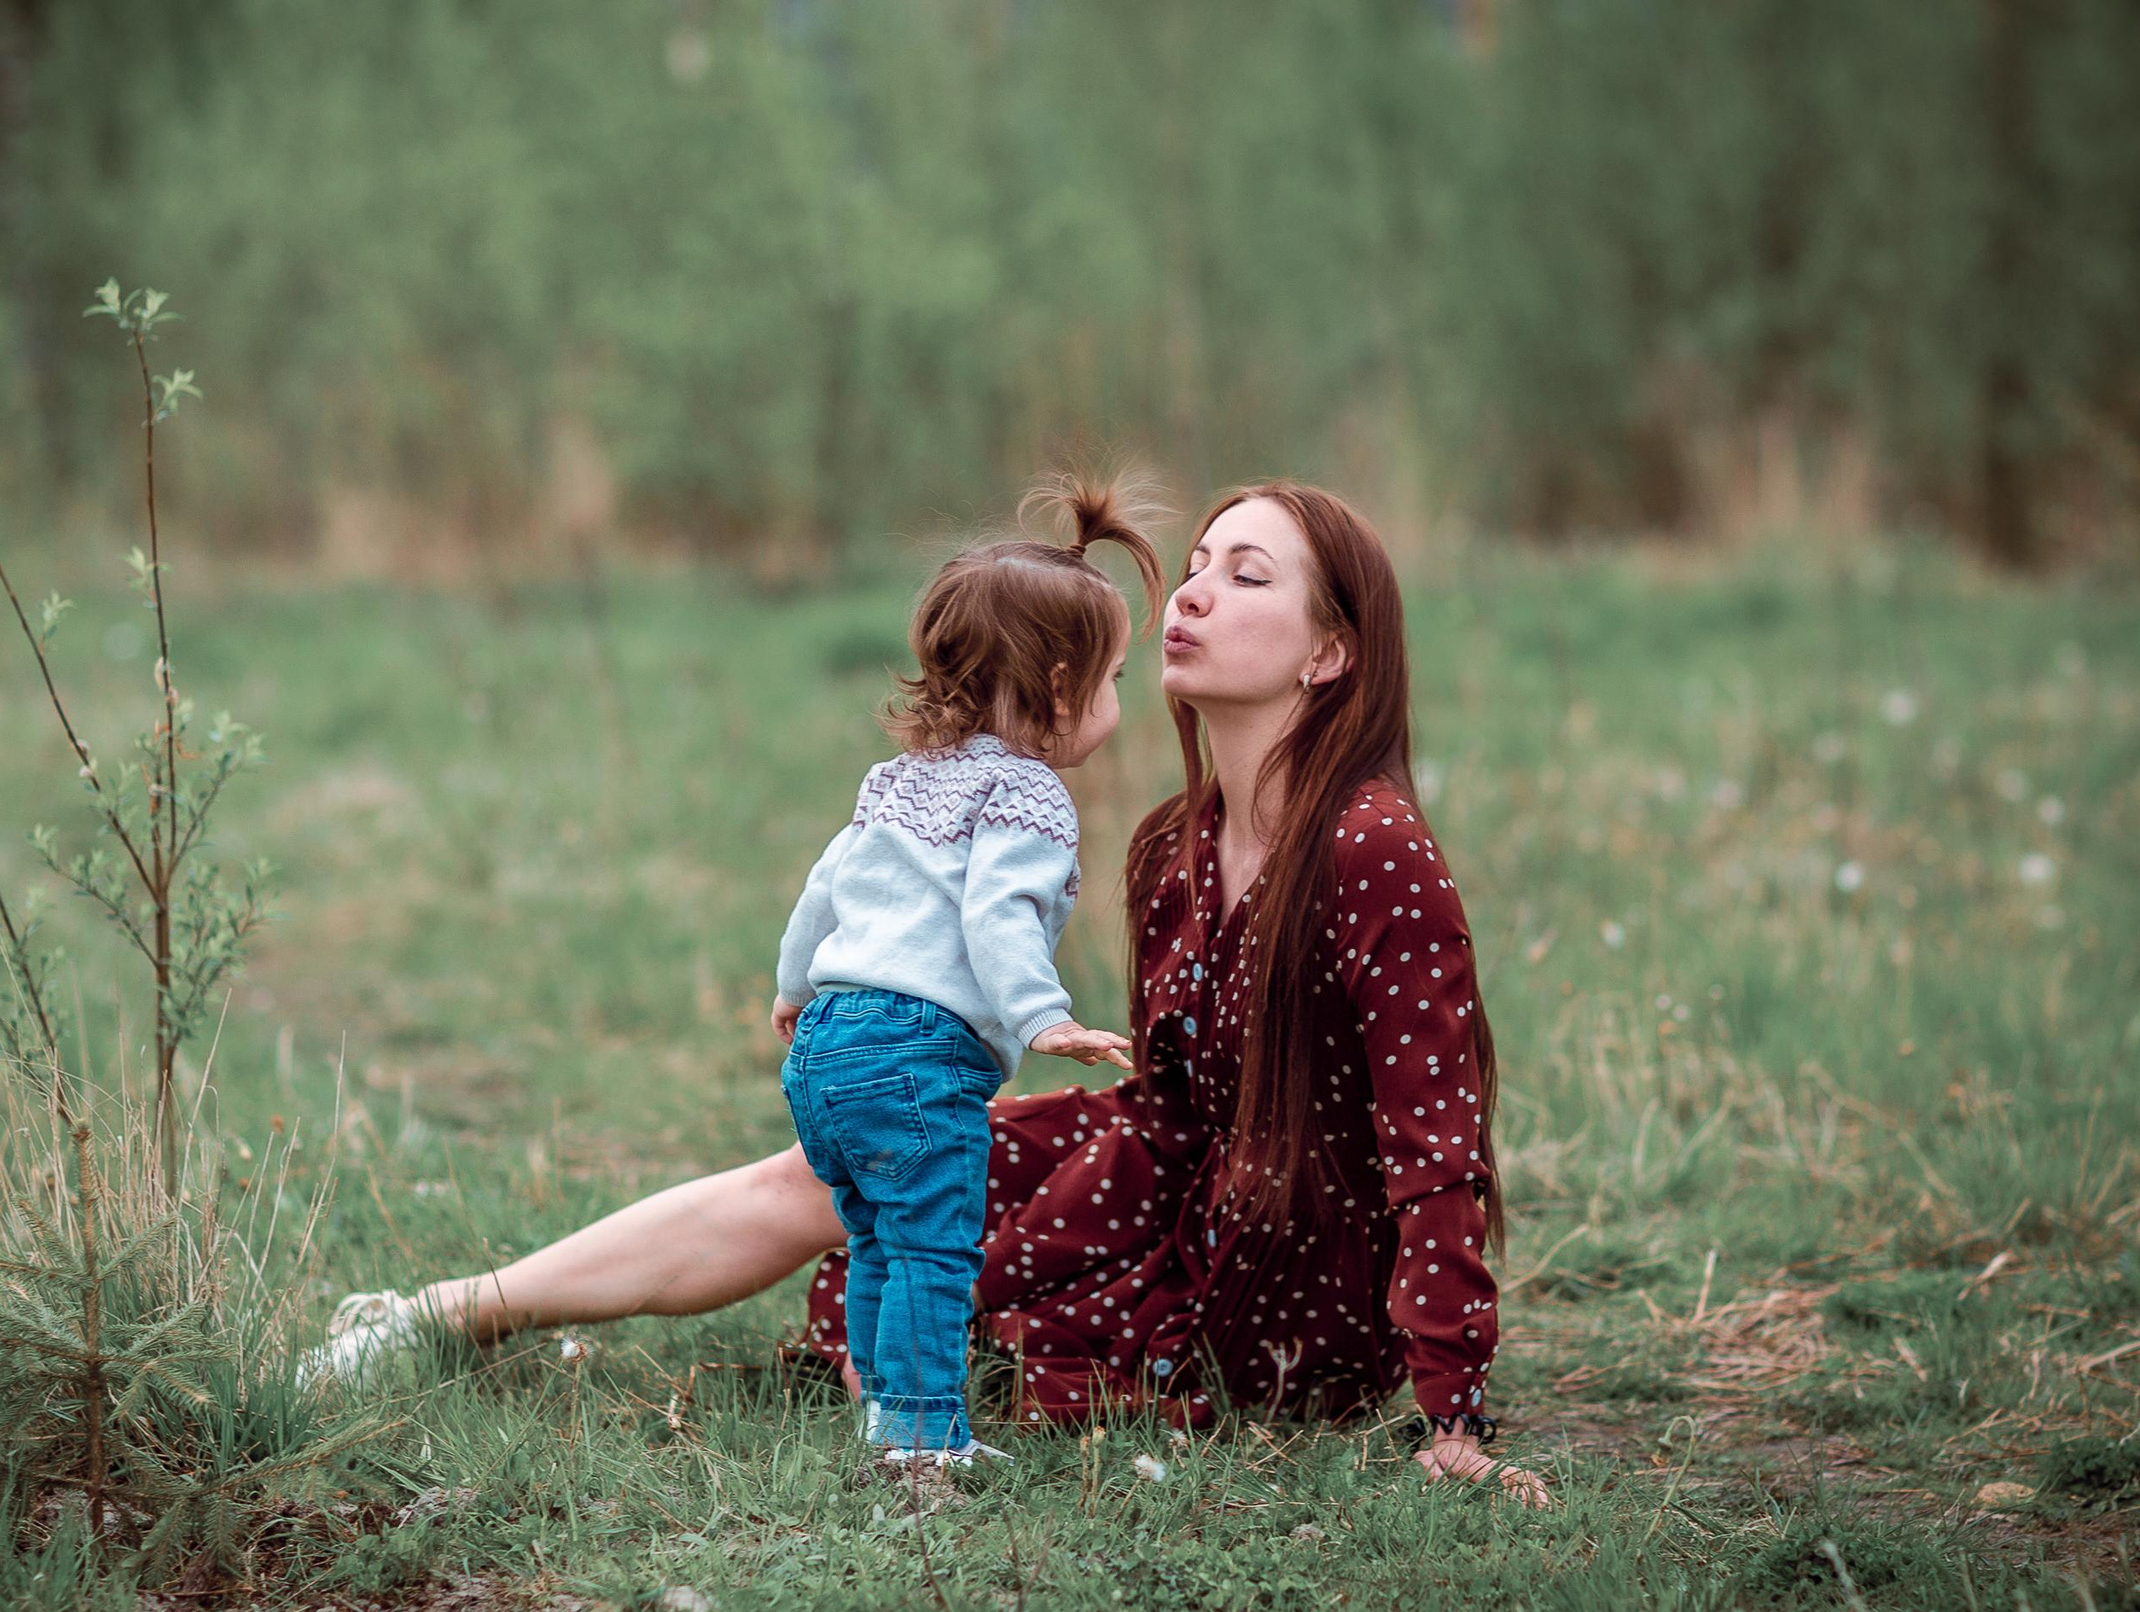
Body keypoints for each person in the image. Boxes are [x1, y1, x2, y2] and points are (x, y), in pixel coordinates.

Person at [312, 478, 1549, 1507]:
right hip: (1168, 1172)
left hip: (1289, 1268)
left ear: (1330, 651)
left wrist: (1454, 1411)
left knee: (932, 1231)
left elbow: (1435, 1142)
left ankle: (932, 1359)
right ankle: (442, 1313)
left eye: (1248, 576)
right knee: (844, 1173)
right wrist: (1036, 1195)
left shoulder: (1371, 848)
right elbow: (1164, 1107)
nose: (1190, 591)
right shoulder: (1172, 845)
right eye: (1197, 563)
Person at [772, 473, 1157, 1474]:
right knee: (935, 1248)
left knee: (874, 1240)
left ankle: (883, 1414)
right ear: (1063, 686)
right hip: (914, 1054)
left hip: (825, 1045)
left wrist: (791, 993)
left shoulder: (895, 780)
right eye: (1116, 679)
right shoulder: (1025, 794)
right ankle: (921, 1439)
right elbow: (996, 914)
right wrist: (1041, 1018)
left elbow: (824, 891)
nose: (1117, 700)